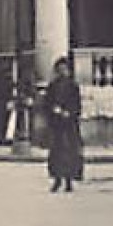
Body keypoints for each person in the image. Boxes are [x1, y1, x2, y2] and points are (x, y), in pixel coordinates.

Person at [43, 57, 84, 193]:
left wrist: (69, 113)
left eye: (64, 69)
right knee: (57, 153)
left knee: (70, 153)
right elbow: (47, 104)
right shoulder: (52, 86)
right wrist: (53, 111)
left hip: (70, 125)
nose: (62, 71)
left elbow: (77, 105)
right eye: (59, 69)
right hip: (57, 125)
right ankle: (57, 179)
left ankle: (69, 181)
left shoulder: (73, 86)